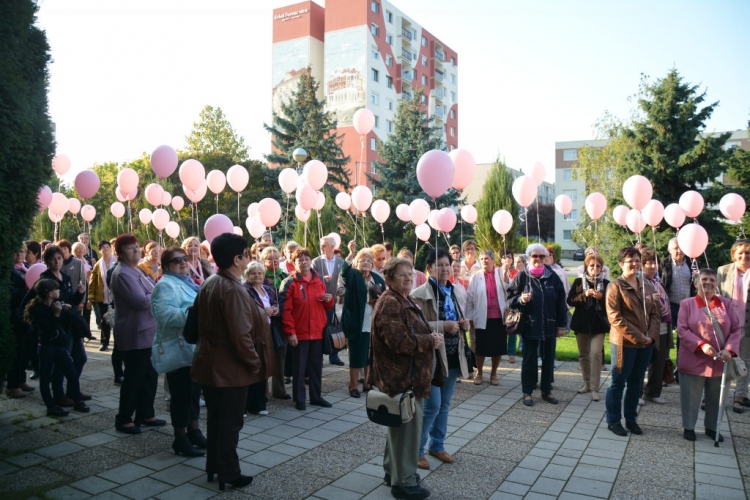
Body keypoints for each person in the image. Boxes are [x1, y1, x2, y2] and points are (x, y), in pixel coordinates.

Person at [192, 233, 260, 491]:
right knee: (230, 423)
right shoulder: (232, 288)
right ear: (237, 258)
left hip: (209, 363)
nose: (249, 258)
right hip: (228, 368)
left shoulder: (211, 281)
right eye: (246, 254)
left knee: (217, 420)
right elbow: (240, 335)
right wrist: (254, 362)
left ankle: (215, 467)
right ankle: (229, 472)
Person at [370, 257, 441, 500]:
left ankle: (394, 473)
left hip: (406, 378)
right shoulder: (391, 303)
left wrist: (426, 335)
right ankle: (405, 483)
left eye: (410, 274)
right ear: (388, 279)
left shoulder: (401, 298)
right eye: (402, 275)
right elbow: (399, 342)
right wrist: (429, 340)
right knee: (407, 433)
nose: (409, 278)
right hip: (402, 379)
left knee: (398, 430)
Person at [411, 248, 469, 471]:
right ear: (429, 268)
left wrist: (464, 323)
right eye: (440, 265)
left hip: (453, 354)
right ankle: (417, 450)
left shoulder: (453, 290)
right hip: (432, 357)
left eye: (448, 264)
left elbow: (455, 316)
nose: (445, 268)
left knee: (444, 404)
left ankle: (438, 444)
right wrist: (442, 326)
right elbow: (417, 327)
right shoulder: (419, 294)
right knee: (431, 406)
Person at [149, 246, 206, 456]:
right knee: (181, 395)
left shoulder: (189, 283)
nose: (183, 262)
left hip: (193, 347)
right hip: (178, 347)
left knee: (194, 393)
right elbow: (164, 315)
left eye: (184, 258)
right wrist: (194, 313)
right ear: (165, 267)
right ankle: (180, 438)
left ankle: (194, 430)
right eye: (176, 260)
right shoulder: (164, 286)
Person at [678, 269, 740, 441]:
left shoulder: (726, 304)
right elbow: (682, 330)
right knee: (691, 396)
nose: (708, 282)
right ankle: (689, 427)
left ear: (717, 284)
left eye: (712, 280)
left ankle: (712, 428)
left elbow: (736, 329)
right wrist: (701, 345)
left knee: (717, 397)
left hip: (721, 361)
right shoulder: (686, 304)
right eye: (704, 279)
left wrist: (729, 349)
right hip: (693, 359)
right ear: (696, 283)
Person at [110, 234, 163, 434]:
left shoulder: (136, 269)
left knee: (149, 375)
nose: (135, 251)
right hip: (135, 333)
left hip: (148, 331)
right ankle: (124, 418)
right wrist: (158, 294)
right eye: (129, 248)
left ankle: (145, 413)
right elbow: (140, 301)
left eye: (136, 247)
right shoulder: (123, 273)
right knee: (134, 377)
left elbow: (149, 293)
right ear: (120, 253)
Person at [604, 247, 659, 436]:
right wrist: (639, 336)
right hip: (624, 343)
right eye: (630, 260)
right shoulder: (615, 286)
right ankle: (613, 420)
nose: (635, 264)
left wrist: (650, 337)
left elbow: (654, 313)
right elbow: (615, 318)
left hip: (645, 343)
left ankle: (631, 419)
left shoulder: (646, 284)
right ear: (621, 264)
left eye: (637, 260)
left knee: (636, 383)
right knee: (618, 382)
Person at [25, 245, 89, 407]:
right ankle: (59, 394)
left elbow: (70, 302)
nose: (57, 261)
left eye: (59, 258)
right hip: (55, 327)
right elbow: (31, 302)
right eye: (53, 259)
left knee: (80, 358)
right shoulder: (44, 279)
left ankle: (72, 390)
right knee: (60, 362)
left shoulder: (66, 277)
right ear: (46, 261)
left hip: (70, 324)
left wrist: (80, 294)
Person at [507, 244, 568, 407]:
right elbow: (509, 300)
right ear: (528, 258)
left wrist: (562, 325)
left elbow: (561, 303)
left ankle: (546, 390)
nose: (539, 259)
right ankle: (527, 391)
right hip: (529, 325)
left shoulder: (553, 276)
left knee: (548, 359)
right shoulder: (522, 276)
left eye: (542, 256)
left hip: (549, 325)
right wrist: (520, 299)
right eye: (535, 256)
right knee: (529, 359)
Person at [279, 247, 334, 411]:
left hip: (318, 331)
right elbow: (285, 311)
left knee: (316, 367)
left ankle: (316, 397)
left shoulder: (319, 280)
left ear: (311, 261)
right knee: (299, 368)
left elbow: (327, 306)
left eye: (306, 259)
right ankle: (299, 399)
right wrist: (291, 332)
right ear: (294, 263)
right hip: (299, 333)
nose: (303, 262)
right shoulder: (289, 283)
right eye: (299, 260)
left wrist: (329, 300)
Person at [340, 241, 386, 397]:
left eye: (368, 260)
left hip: (372, 321)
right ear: (356, 263)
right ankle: (353, 386)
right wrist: (350, 254)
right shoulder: (353, 275)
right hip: (357, 322)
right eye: (362, 260)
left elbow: (384, 297)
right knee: (357, 355)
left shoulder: (377, 279)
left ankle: (367, 383)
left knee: (370, 354)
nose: (365, 263)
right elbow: (344, 273)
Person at [567, 254, 610, 401]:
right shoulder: (579, 282)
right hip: (582, 324)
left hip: (599, 325)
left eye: (598, 266)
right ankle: (586, 383)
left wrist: (602, 297)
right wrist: (584, 295)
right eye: (592, 266)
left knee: (596, 354)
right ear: (587, 267)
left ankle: (595, 388)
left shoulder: (606, 283)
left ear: (601, 268)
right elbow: (570, 300)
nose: (595, 268)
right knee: (583, 355)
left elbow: (612, 304)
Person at [717, 239, 750, 414]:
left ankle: (740, 396)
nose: (744, 256)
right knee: (720, 358)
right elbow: (717, 295)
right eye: (741, 252)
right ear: (733, 254)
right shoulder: (723, 271)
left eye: (748, 253)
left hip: (747, 324)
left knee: (744, 360)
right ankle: (714, 396)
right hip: (726, 323)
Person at [465, 250, 508, 385]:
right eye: (482, 259)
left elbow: (510, 288)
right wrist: (469, 317)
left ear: (493, 260)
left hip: (499, 317)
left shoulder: (501, 273)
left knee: (498, 347)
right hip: (481, 317)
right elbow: (470, 298)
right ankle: (480, 373)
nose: (484, 261)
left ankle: (494, 374)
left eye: (487, 258)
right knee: (480, 347)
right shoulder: (476, 276)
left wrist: (506, 274)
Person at [241, 261, 278, 415]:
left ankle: (258, 404)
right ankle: (243, 405)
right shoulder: (244, 290)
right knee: (249, 369)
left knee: (263, 368)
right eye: (253, 273)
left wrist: (275, 309)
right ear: (247, 275)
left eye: (260, 273)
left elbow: (275, 304)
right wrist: (264, 311)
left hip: (266, 333)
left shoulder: (268, 288)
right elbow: (245, 311)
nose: (257, 276)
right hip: (252, 333)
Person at [661, 237, 695, 381]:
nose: (679, 251)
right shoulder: (664, 264)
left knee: (684, 341)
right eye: (675, 248)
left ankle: (680, 373)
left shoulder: (692, 263)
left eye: (681, 247)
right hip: (670, 306)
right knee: (666, 341)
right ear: (669, 250)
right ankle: (665, 373)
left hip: (687, 307)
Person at [641, 248, 673, 404]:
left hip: (663, 325)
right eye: (649, 263)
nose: (653, 266)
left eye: (655, 263)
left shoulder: (658, 281)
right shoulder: (639, 280)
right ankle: (637, 393)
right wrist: (648, 298)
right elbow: (634, 302)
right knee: (642, 360)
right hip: (647, 327)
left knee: (659, 361)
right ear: (642, 265)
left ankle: (652, 392)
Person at [6, 242, 34, 398]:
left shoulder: (27, 269)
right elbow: (9, 292)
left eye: (22, 251)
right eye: (16, 251)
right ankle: (12, 385)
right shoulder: (9, 270)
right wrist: (24, 289)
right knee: (17, 350)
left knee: (26, 349)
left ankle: (21, 380)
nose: (19, 254)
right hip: (15, 315)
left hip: (27, 315)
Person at [312, 236, 345, 367]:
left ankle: (334, 355)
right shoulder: (316, 262)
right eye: (321, 245)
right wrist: (321, 279)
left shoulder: (340, 262)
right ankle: (318, 357)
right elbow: (312, 280)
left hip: (334, 301)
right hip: (319, 302)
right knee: (320, 329)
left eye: (324, 245)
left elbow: (343, 280)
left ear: (332, 247)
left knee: (334, 328)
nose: (321, 247)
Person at [88, 241, 117, 353]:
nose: (106, 249)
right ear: (99, 250)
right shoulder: (97, 264)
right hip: (103, 297)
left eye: (107, 247)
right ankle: (105, 342)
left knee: (117, 320)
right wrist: (91, 298)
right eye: (103, 248)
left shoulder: (117, 262)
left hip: (116, 298)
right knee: (104, 320)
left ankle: (118, 342)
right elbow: (93, 282)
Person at [500, 250, 518, 362]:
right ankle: (501, 350)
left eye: (509, 257)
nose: (507, 259)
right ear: (501, 259)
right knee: (501, 329)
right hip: (500, 304)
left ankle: (511, 353)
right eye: (504, 257)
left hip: (512, 304)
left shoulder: (516, 272)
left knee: (512, 329)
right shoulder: (497, 271)